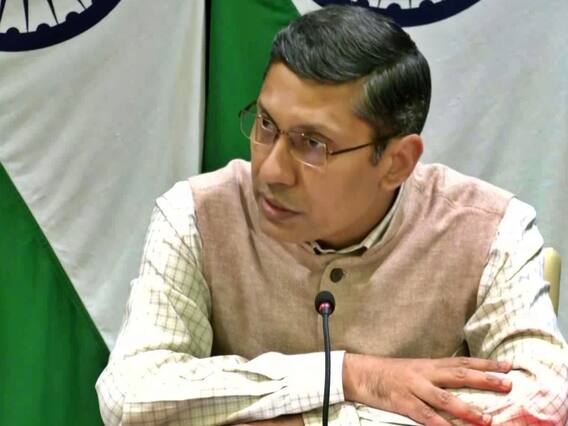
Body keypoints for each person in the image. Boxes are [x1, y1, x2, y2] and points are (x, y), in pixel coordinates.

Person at [96, 5, 568, 425]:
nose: (271, 170)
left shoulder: (490, 228)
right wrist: (348, 376)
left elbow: (544, 400)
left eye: (312, 144)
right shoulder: (197, 214)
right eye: (266, 125)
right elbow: (130, 395)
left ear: (397, 162)